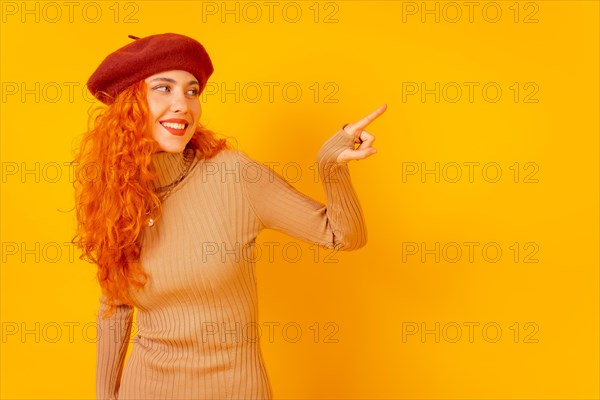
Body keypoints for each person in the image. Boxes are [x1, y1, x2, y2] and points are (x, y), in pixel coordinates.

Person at [72, 32, 386, 400]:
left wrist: (330, 166)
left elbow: (343, 236)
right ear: (130, 105)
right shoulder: (118, 193)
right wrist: (104, 396)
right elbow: (115, 304)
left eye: (192, 91)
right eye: (163, 88)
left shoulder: (234, 176)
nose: (182, 105)